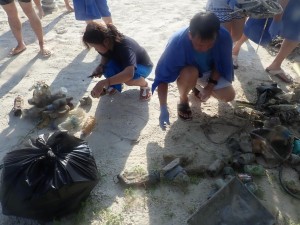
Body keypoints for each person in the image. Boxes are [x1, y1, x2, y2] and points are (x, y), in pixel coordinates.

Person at [152, 12, 235, 128]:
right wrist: (163, 108)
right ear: (190, 35)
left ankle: (196, 86)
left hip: (209, 71)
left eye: (210, 45)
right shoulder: (177, 43)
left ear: (217, 35)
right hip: (188, 72)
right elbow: (161, 77)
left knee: (229, 96)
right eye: (200, 45)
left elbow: (222, 63)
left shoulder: (224, 37)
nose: (204, 49)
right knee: (191, 72)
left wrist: (209, 86)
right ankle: (183, 99)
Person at [83, 22, 153, 101]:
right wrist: (101, 66)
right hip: (124, 65)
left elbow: (129, 74)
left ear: (106, 41)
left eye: (96, 47)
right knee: (106, 67)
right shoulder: (107, 43)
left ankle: (145, 85)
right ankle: (115, 84)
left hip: (143, 65)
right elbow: (105, 56)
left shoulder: (124, 47)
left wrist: (102, 83)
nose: (96, 50)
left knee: (129, 80)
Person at [265, 0, 300, 83]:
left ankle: (275, 65)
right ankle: (235, 51)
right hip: (284, 7)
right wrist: (276, 20)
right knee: (257, 27)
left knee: (295, 36)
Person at [206, 0, 246, 68]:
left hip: (240, 3)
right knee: (221, 38)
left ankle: (229, 52)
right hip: (219, 3)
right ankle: (220, 59)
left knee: (237, 36)